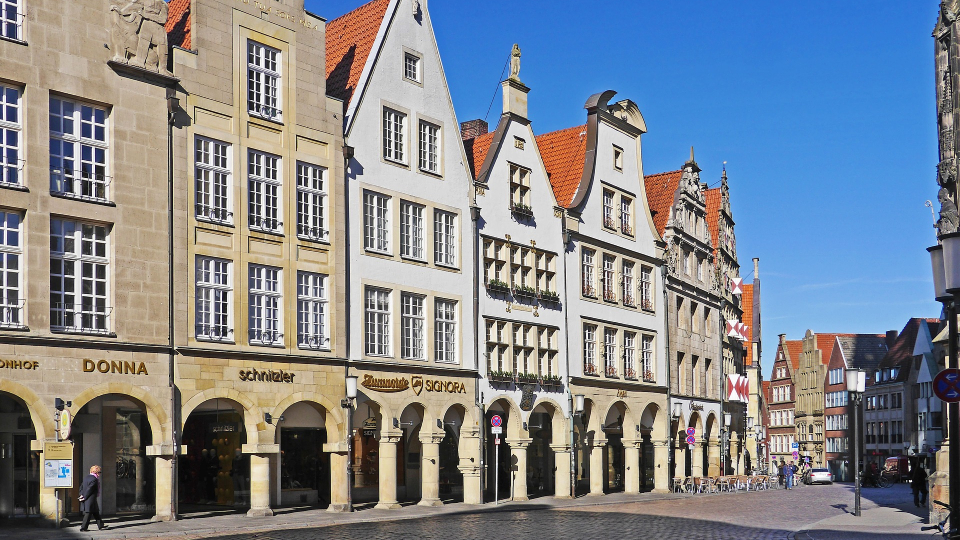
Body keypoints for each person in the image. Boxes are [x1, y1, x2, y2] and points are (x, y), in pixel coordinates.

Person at [78, 465, 106, 531]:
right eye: (99, 472)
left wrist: (81, 494)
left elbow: (81, 487)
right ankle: (83, 527)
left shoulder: (86, 478)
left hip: (89, 498)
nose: (99, 474)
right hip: (90, 498)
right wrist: (84, 496)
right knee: (88, 512)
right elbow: (90, 489)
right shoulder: (94, 479)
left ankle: (101, 525)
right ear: (96, 472)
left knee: (95, 511)